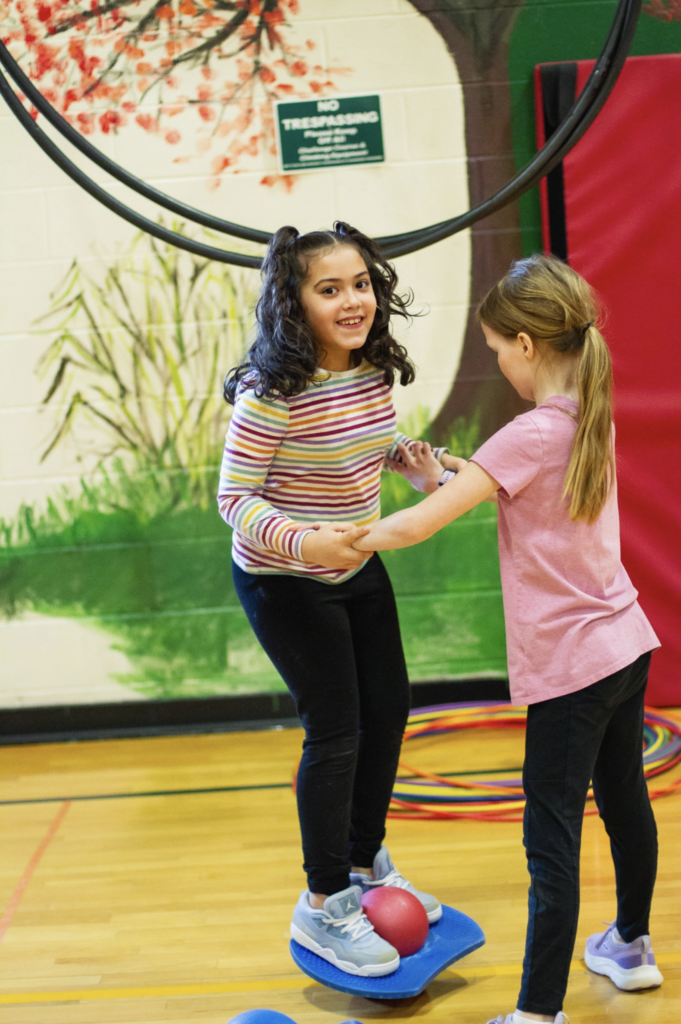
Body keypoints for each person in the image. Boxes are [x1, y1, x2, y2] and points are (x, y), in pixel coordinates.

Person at [352, 254, 662, 1021]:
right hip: (624, 645)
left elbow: (417, 527)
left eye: (495, 349)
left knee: (548, 841)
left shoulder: (526, 435)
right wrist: (441, 473)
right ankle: (629, 945)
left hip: (570, 668)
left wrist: (332, 536)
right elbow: (520, 488)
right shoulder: (589, 414)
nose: (496, 360)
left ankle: (535, 1012)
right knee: (623, 800)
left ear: (525, 345)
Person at [218, 222, 443, 978]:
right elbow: (235, 498)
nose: (353, 301)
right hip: (284, 578)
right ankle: (323, 902)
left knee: (388, 712)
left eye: (361, 285)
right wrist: (304, 543)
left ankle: (363, 858)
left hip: (354, 561)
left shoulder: (371, 370)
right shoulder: (270, 394)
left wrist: (404, 460)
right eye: (329, 289)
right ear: (293, 303)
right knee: (338, 729)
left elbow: (355, 443)